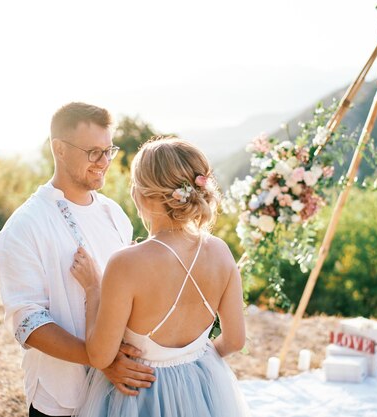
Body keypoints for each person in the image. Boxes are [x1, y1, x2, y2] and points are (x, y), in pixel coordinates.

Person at [0, 102, 156, 417]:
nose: (105, 162)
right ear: (59, 150)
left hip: (119, 395)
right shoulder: (23, 227)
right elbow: (29, 323)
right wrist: (101, 358)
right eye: (94, 152)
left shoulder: (114, 214)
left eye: (109, 151)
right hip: (61, 398)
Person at [71, 137, 251, 417]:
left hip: (140, 394)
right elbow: (235, 340)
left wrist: (93, 288)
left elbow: (100, 356)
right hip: (201, 388)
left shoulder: (125, 264)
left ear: (140, 195)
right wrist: (192, 360)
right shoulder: (220, 251)